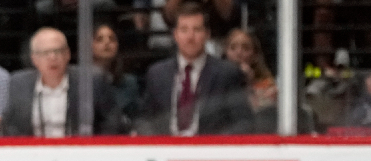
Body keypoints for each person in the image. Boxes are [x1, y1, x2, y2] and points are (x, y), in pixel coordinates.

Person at [137, 2, 251, 136]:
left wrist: (215, 146)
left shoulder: (226, 73)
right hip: (167, 150)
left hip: (208, 151)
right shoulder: (156, 74)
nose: (190, 37)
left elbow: (244, 122)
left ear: (207, 34)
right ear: (175, 35)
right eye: (184, 30)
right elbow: (143, 120)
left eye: (197, 30)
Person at [0, 27, 125, 137]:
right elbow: (8, 128)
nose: (53, 57)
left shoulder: (92, 81)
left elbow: (112, 123)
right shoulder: (18, 83)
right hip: (33, 157)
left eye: (58, 51)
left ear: (68, 55)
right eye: (45, 53)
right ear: (34, 59)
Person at [223, 27, 275, 133]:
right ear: (225, 52)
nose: (239, 53)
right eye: (233, 48)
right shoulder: (216, 81)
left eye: (245, 48)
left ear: (255, 54)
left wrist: (249, 83)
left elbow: (264, 115)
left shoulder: (267, 85)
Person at [91, 22, 142, 126]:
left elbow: (137, 118)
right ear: (90, 45)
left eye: (112, 39)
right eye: (99, 39)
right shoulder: (79, 82)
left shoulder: (129, 82)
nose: (107, 43)